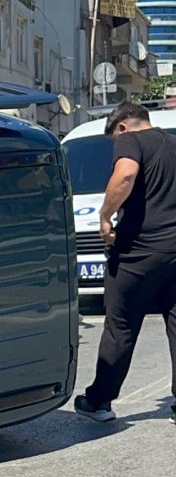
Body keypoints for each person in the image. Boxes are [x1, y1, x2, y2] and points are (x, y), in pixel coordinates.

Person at [75, 101, 176, 422]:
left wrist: (105, 217)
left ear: (121, 126)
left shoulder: (130, 140)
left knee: (120, 325)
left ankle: (99, 401)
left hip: (138, 252)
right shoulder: (173, 143)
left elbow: (126, 175)